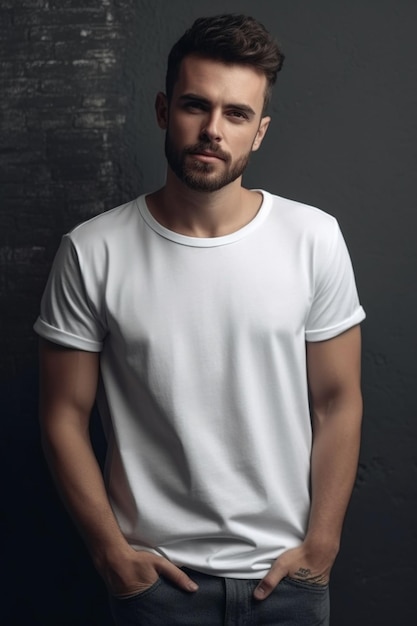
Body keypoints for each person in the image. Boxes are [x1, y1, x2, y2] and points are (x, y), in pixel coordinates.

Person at [35, 13, 366, 626]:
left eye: (236, 114)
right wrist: (112, 555)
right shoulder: (92, 250)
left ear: (259, 131)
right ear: (163, 110)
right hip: (156, 588)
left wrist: (322, 546)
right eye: (196, 106)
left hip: (289, 584)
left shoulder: (313, 239)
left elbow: (337, 401)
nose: (213, 130)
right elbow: (62, 414)